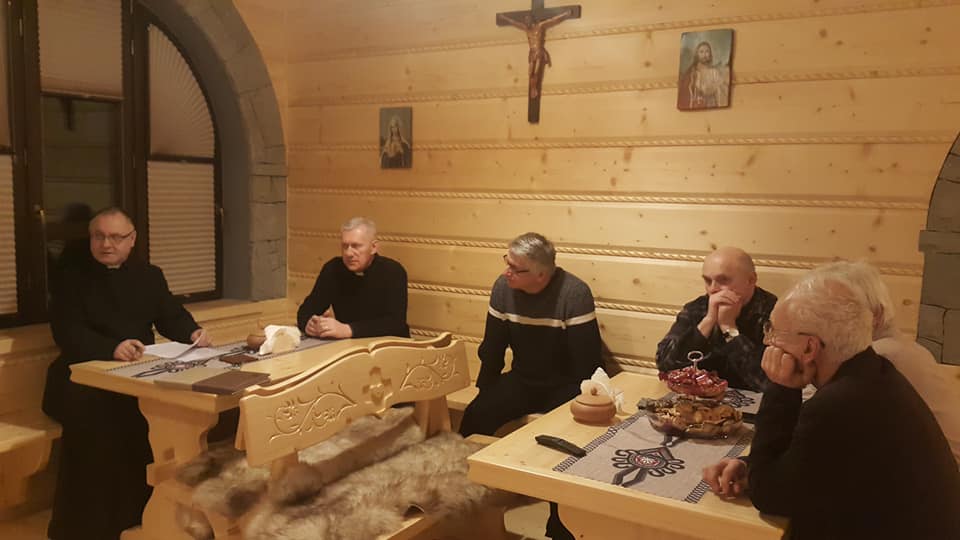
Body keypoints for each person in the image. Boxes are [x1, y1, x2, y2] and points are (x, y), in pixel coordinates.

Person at [702, 274, 960, 539]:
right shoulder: (872, 372)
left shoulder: (839, 404)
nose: (769, 342)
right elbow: (811, 463)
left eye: (774, 331)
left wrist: (780, 387)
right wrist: (750, 466)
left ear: (809, 348)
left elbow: (768, 495)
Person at [42, 207, 212, 540]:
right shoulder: (71, 277)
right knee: (102, 421)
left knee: (158, 416)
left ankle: (144, 515)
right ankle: (90, 528)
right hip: (80, 375)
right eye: (99, 236)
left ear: (132, 240)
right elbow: (66, 331)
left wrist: (193, 333)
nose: (106, 244)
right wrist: (112, 348)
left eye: (115, 237)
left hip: (136, 373)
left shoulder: (149, 275)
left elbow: (171, 315)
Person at [457, 232, 601, 540]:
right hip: (523, 378)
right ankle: (462, 506)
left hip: (565, 384)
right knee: (475, 417)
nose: (506, 271)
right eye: (507, 262)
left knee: (565, 445)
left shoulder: (573, 293)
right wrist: (486, 391)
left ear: (541, 274)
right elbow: (492, 348)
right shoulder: (503, 288)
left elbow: (586, 362)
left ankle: (560, 527)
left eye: (515, 267)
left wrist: (580, 404)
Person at [809, 261, 960, 463]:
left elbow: (820, 426)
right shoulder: (903, 349)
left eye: (838, 314)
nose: (821, 326)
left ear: (876, 315)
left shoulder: (882, 358)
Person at [655, 246, 776, 391]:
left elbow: (767, 383)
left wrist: (728, 327)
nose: (713, 289)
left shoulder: (774, 313)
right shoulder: (699, 307)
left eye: (723, 280)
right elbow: (664, 364)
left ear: (751, 280)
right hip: (701, 398)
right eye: (707, 281)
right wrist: (708, 321)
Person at [297, 217, 409, 339]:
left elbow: (395, 323)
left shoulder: (392, 271)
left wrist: (349, 330)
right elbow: (308, 310)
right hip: (350, 344)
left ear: (373, 247)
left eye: (356, 246)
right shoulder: (333, 269)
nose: (348, 253)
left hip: (390, 345)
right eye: (345, 246)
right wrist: (309, 324)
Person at [497, 9, 575, 99]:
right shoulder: (526, 28)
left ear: (532, 20)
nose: (526, 22)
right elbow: (514, 22)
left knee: (537, 72)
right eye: (525, 20)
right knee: (530, 73)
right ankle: (532, 88)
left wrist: (565, 14)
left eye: (527, 20)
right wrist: (503, 17)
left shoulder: (540, 26)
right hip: (532, 53)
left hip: (539, 52)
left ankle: (534, 89)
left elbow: (553, 20)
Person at [677, 41, 730, 110]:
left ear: (710, 54)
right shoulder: (692, 72)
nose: (704, 55)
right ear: (697, 54)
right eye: (701, 52)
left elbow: (722, 88)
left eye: (707, 51)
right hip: (696, 105)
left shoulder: (714, 72)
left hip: (712, 106)